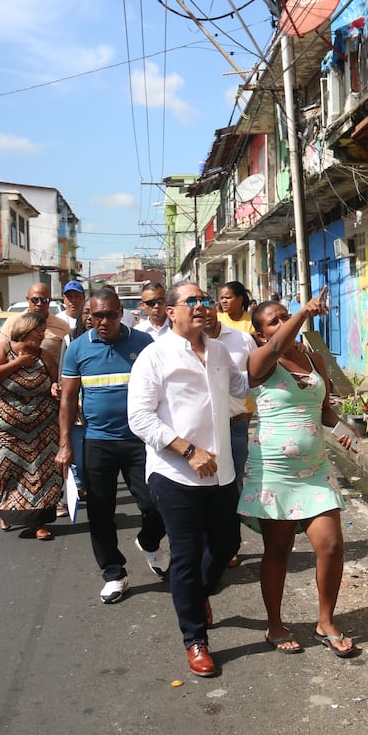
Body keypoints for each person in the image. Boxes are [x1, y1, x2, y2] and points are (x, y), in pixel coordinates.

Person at [128, 283, 249, 677]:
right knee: (186, 554)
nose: (201, 306)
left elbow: (240, 388)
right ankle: (195, 639)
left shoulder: (218, 350)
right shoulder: (154, 356)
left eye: (204, 300)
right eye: (191, 301)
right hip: (174, 472)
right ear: (171, 311)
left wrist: (282, 359)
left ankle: (198, 595)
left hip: (222, 471)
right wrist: (187, 449)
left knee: (228, 543)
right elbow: (141, 418)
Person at [238, 289, 356, 657]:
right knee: (278, 550)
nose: (282, 323)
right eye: (273, 321)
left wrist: (346, 430)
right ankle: (274, 624)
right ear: (261, 334)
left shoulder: (314, 358)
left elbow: (323, 411)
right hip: (273, 473)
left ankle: (326, 621)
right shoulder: (261, 361)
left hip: (315, 470)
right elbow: (275, 349)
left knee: (331, 545)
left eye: (283, 316)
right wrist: (303, 313)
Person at [56, 288, 167, 604]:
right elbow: (66, 400)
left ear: (122, 313)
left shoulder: (143, 343)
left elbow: (162, 390)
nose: (104, 321)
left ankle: (149, 541)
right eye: (97, 315)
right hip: (98, 443)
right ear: (88, 316)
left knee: (155, 503)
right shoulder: (78, 349)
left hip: (139, 441)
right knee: (101, 513)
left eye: (110, 314)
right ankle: (114, 573)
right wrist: (65, 445)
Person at [0, 311, 63, 541]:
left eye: (43, 332)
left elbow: (54, 381)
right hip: (6, 428)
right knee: (6, 469)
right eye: (38, 332)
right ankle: (7, 512)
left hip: (42, 429)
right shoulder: (4, 349)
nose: (42, 336)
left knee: (40, 473)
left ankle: (38, 524)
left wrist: (55, 388)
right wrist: (18, 363)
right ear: (25, 330)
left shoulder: (44, 355)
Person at [203, 294, 258, 570]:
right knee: (202, 490)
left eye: (210, 306)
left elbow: (252, 378)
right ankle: (206, 547)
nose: (206, 313)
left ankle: (229, 546)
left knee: (231, 489)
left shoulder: (241, 340)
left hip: (235, 428)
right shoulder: (182, 348)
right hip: (200, 433)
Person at [2, 282, 70, 367]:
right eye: (35, 300)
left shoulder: (62, 326)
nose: (39, 304)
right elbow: (2, 351)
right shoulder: (12, 322)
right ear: (28, 299)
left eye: (44, 300)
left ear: (50, 301)